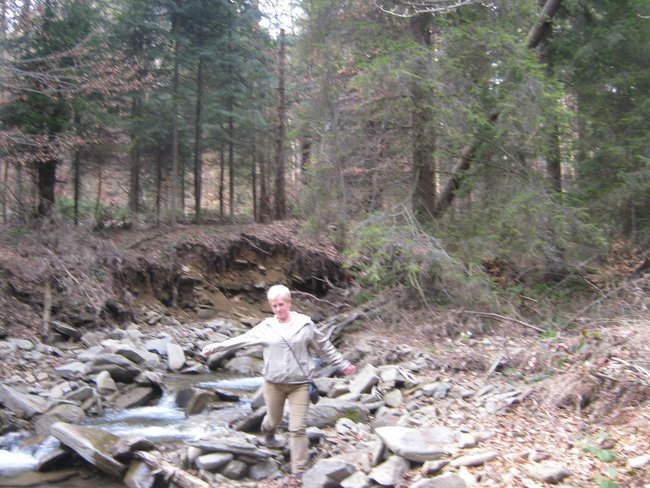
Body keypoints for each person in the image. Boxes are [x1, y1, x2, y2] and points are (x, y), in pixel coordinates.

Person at [202, 284, 357, 476]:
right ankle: (268, 433)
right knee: (272, 420)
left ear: (289, 303)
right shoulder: (267, 327)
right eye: (274, 306)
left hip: (300, 384)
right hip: (273, 384)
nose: (278, 309)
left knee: (297, 428)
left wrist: (343, 365)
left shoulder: (305, 325)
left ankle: (299, 471)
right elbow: (242, 339)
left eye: (281, 305)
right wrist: (215, 347)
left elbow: (324, 347)